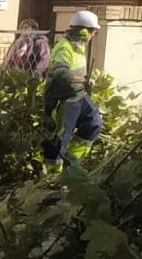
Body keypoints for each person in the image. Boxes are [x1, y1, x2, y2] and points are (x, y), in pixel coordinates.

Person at [42, 10, 103, 175]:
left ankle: (72, 162)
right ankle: (52, 176)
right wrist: (82, 80)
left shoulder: (79, 49)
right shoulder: (64, 48)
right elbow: (60, 73)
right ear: (83, 32)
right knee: (60, 138)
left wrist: (85, 83)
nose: (93, 35)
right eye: (92, 31)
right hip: (63, 100)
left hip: (79, 96)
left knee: (94, 123)